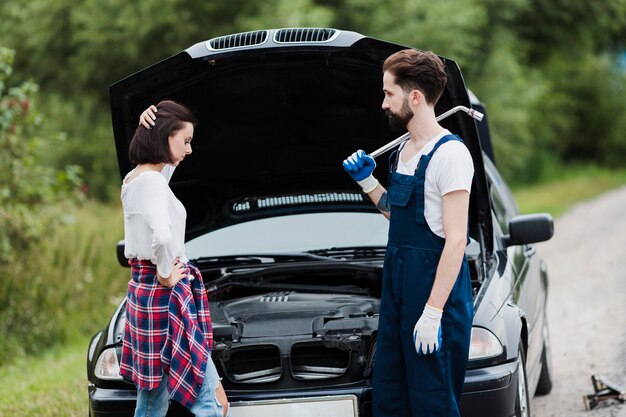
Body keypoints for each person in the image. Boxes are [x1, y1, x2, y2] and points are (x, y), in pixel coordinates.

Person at [342, 50, 474, 417]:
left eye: (389, 93)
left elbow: (456, 240)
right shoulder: (403, 150)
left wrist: (432, 313)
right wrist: (368, 181)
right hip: (399, 296)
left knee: (432, 403)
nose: (383, 103)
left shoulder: (450, 156)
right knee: (392, 399)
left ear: (414, 97)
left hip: (434, 300)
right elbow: (398, 215)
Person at [120, 100, 229, 417]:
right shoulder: (152, 183)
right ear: (165, 137)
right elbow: (164, 237)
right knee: (210, 405)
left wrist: (146, 128)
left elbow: (161, 171)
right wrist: (167, 272)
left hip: (147, 296)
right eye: (186, 141)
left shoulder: (136, 179)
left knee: (152, 402)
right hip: (166, 294)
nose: (190, 150)